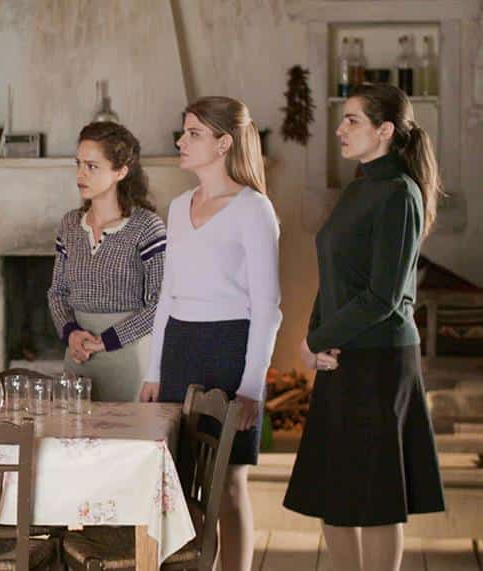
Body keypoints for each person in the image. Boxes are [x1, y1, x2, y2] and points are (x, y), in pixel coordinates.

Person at [284, 83, 445, 571]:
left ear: (385, 130)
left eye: (352, 119)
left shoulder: (400, 194)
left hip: (380, 363)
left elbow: (382, 296)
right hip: (342, 357)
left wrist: (316, 340)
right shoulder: (359, 187)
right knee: (334, 494)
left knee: (376, 499)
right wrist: (316, 338)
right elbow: (335, 276)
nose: (341, 128)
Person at [139, 96, 281, 571]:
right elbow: (167, 296)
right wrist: (154, 370)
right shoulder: (178, 207)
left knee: (229, 483)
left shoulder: (254, 209)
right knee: (179, 480)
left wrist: (251, 387)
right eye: (183, 132)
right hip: (180, 349)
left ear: (223, 143)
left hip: (229, 350)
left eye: (193, 133)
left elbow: (268, 307)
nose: (181, 141)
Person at [46, 121, 166, 402]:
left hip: (129, 359)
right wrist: (71, 333)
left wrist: (107, 340)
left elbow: (160, 304)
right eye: (78, 164)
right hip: (78, 357)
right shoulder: (70, 225)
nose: (80, 174)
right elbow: (57, 292)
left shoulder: (147, 227)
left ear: (121, 171)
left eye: (92, 166)